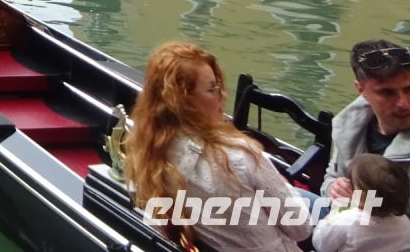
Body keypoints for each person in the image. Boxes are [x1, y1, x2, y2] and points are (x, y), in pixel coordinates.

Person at [126, 41, 312, 252]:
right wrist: (285, 186)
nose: (222, 95)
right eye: (212, 89)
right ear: (183, 101)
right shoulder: (241, 156)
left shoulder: (149, 153)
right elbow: (301, 229)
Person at [323, 41, 410, 201]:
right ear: (361, 89)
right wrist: (334, 188)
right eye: (387, 93)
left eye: (408, 89)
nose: (403, 103)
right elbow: (331, 178)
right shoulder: (347, 127)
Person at [312, 153, 410, 252]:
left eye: (351, 183)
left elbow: (320, 244)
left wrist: (334, 214)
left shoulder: (345, 220)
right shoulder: (404, 221)